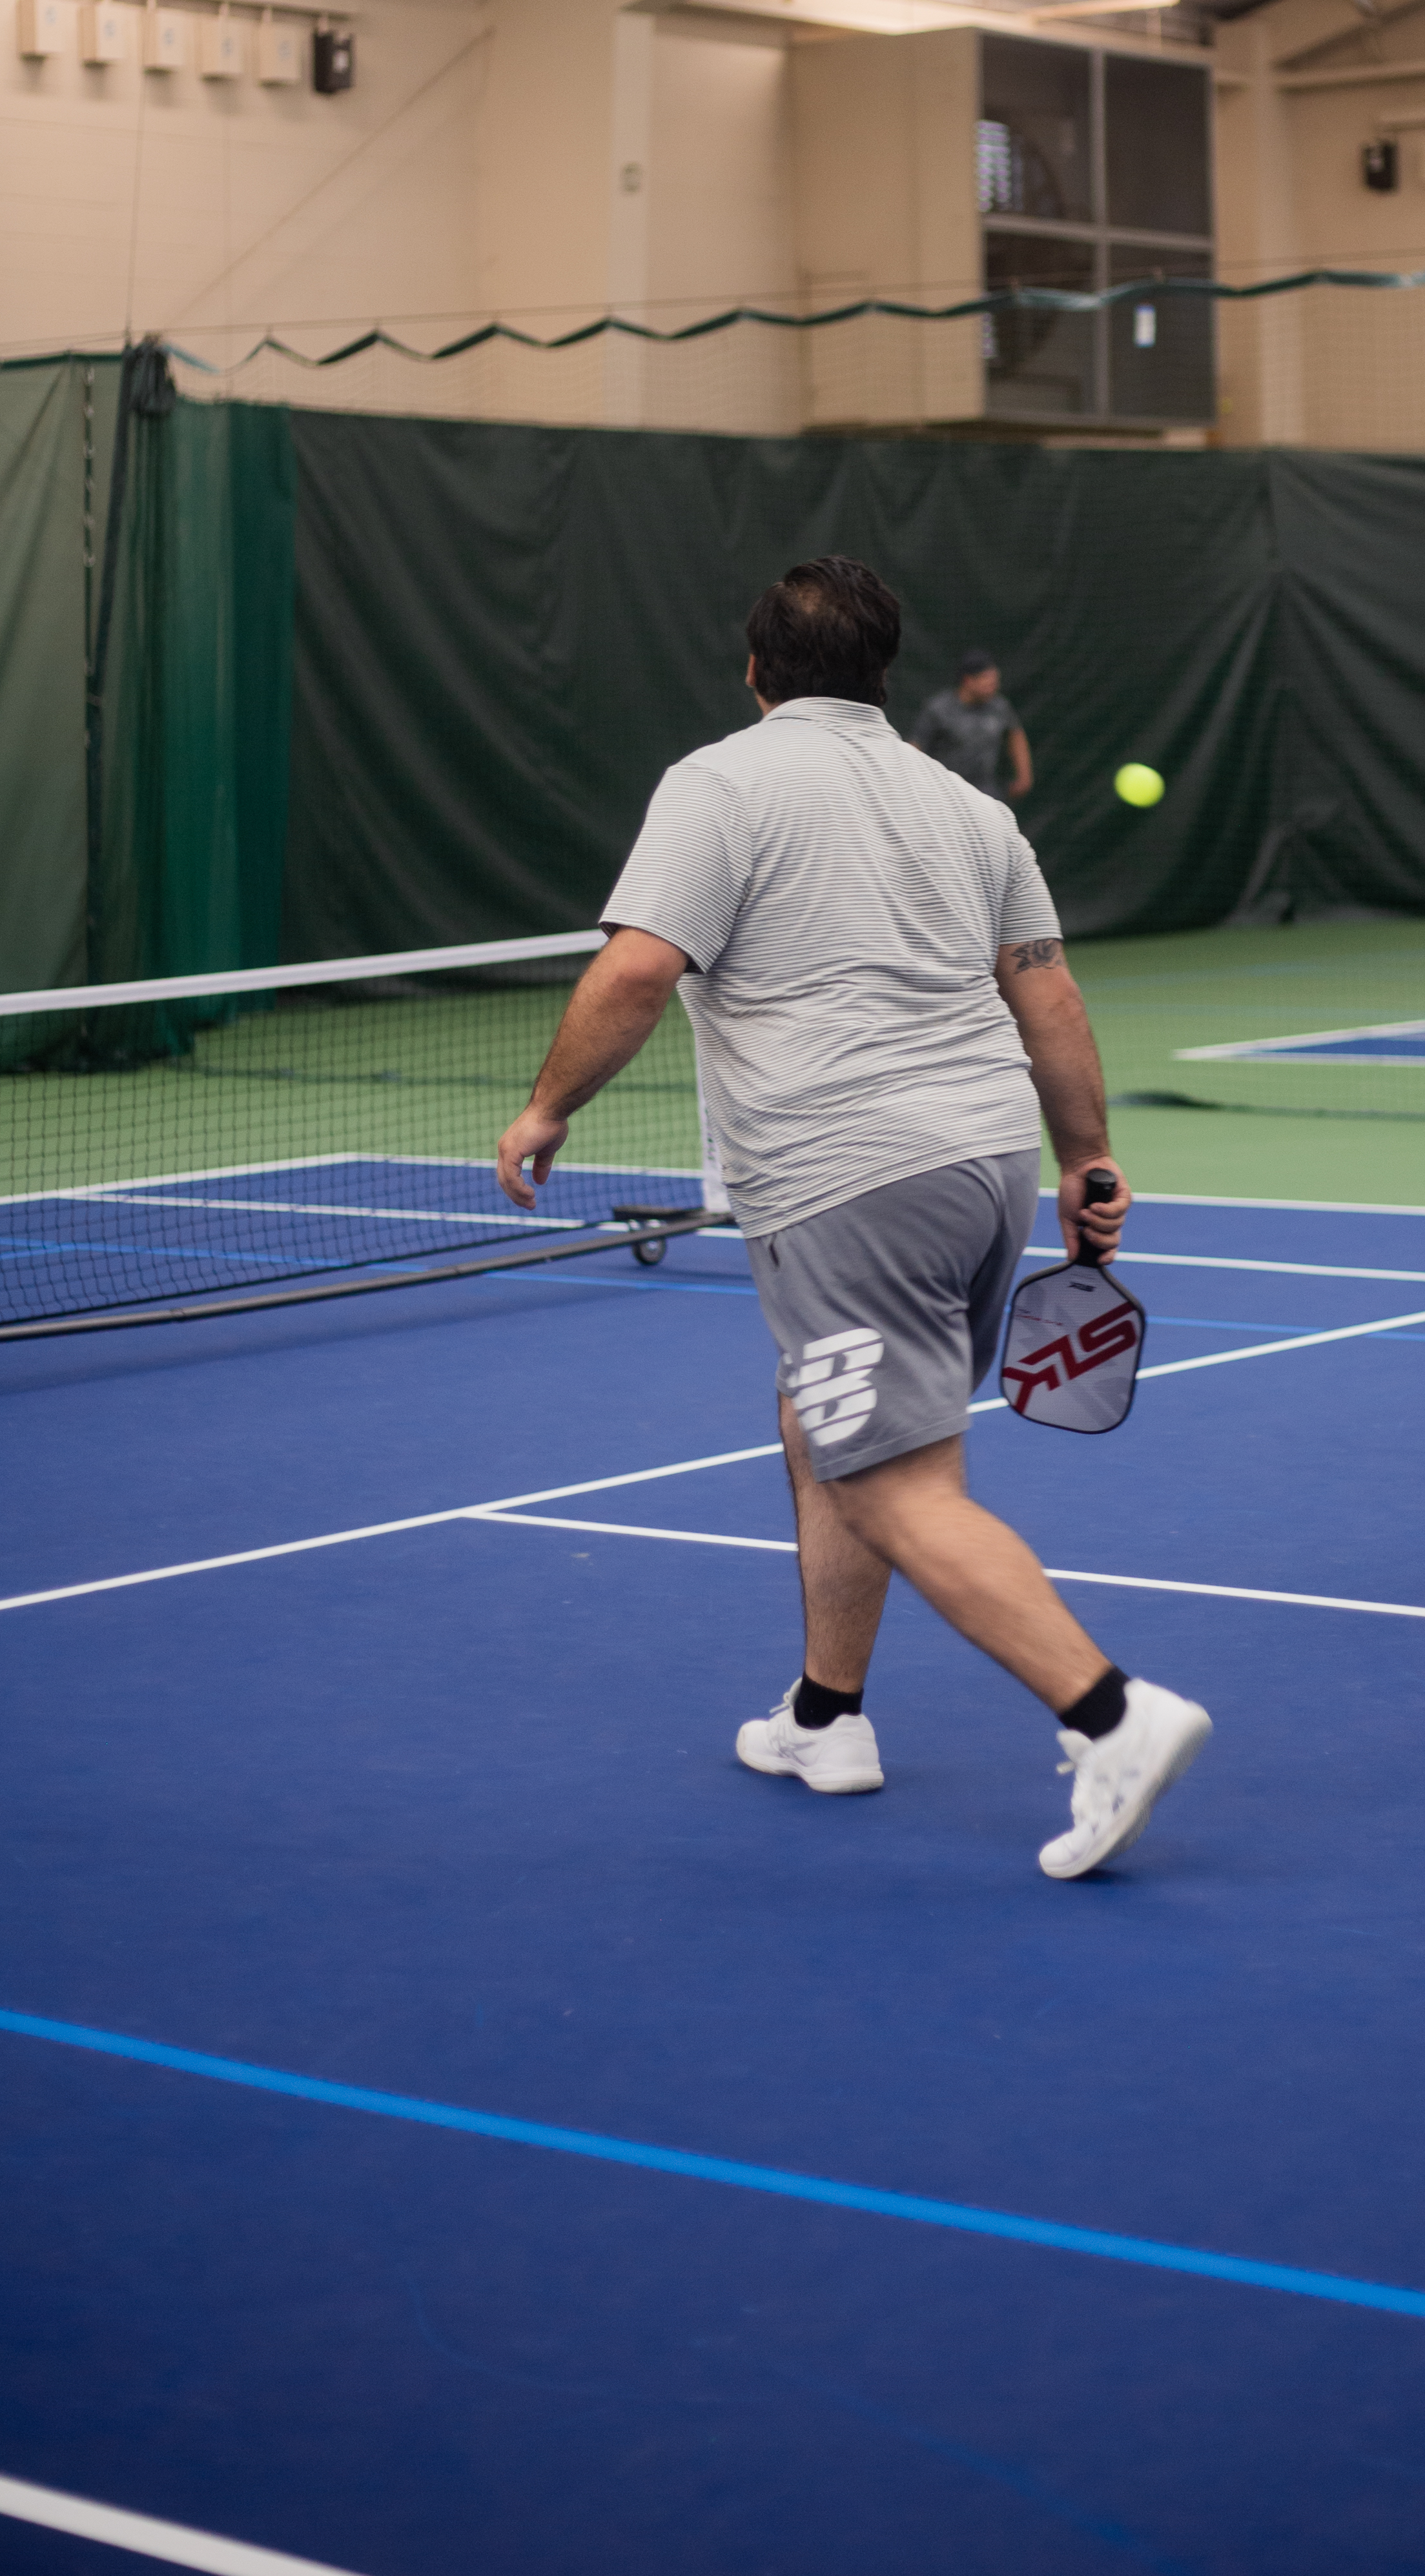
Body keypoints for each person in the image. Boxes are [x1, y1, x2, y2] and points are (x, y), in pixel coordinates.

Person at [497, 555, 1207, 1880]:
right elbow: (1045, 993)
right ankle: (828, 1716)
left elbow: (641, 964)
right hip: (987, 1165)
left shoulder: (717, 781)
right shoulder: (970, 805)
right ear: (889, 676)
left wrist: (547, 1111)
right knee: (821, 1424)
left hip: (845, 1177)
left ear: (755, 671)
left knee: (890, 1477)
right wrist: (1089, 1155)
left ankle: (1111, 1716)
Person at [912, 649, 1033, 802]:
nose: (994, 685)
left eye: (995, 680)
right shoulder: (939, 709)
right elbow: (915, 746)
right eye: (987, 679)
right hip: (945, 794)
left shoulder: (1000, 707)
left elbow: (1015, 734)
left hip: (985, 794)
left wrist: (1024, 776)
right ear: (968, 681)